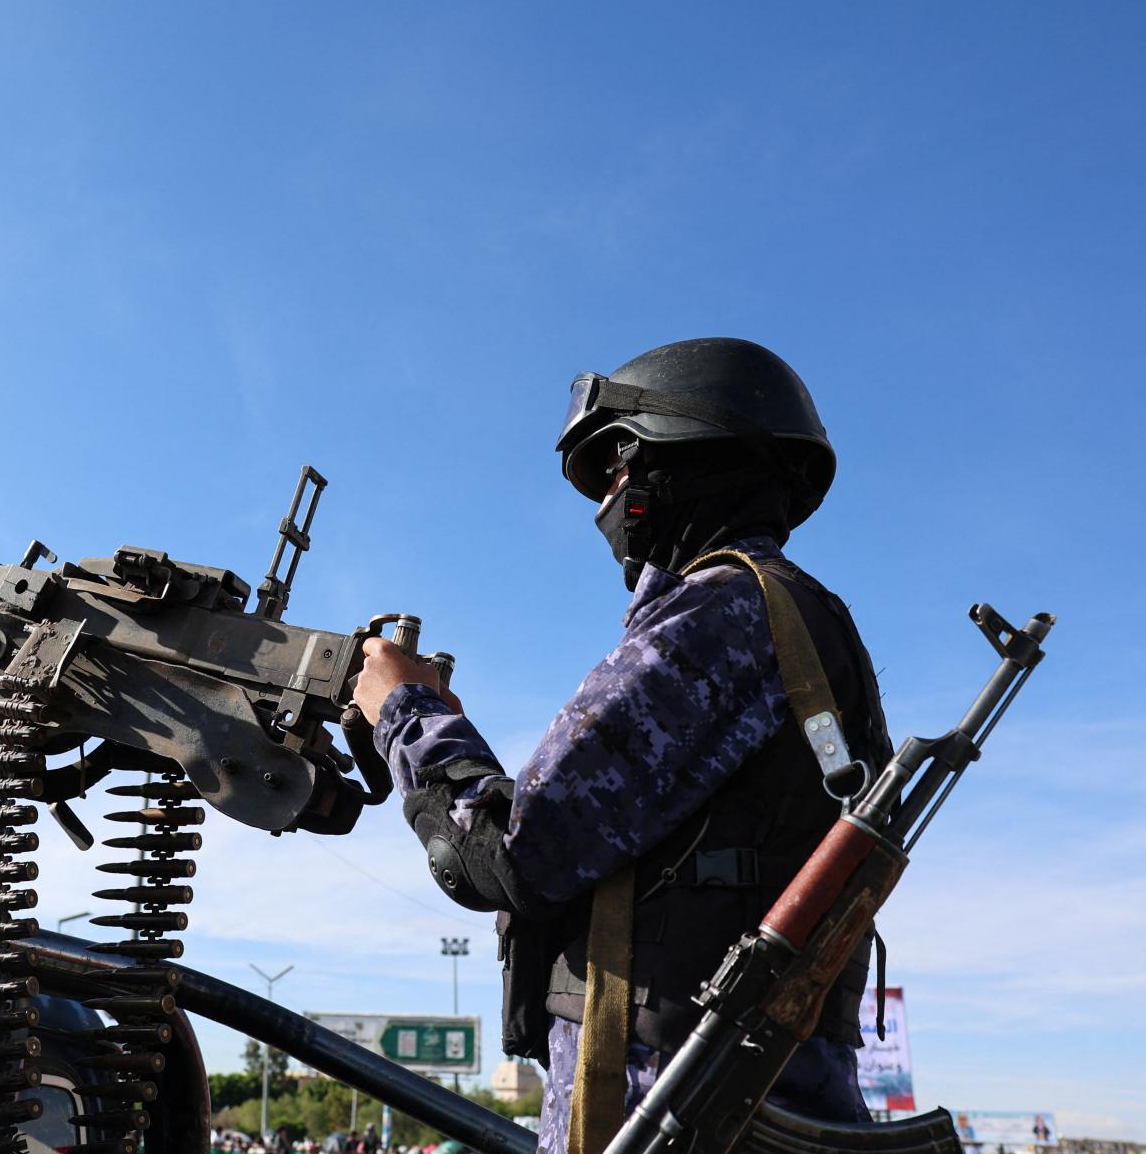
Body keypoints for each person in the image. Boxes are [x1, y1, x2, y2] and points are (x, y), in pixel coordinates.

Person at [352, 338, 892, 1154]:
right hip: (723, 1092)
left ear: (672, 462)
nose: (608, 497)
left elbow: (510, 856)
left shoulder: (720, 616)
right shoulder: (787, 618)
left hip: (669, 1103)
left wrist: (403, 710)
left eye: (615, 467)